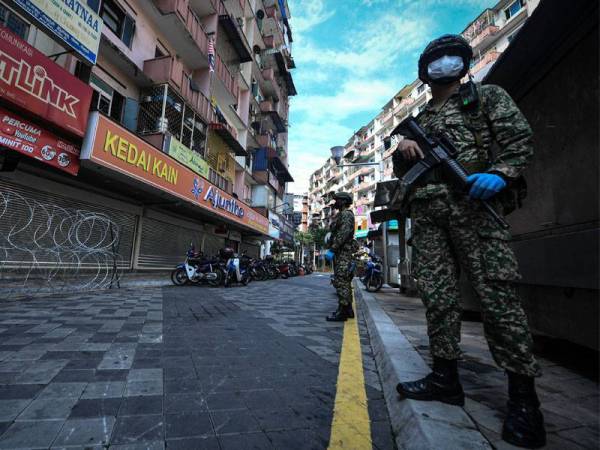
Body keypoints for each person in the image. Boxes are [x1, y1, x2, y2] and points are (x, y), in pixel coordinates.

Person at [392, 34, 545, 448]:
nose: (443, 65)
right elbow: (400, 164)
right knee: (438, 298)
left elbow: (518, 140)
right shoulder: (422, 117)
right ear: (424, 71)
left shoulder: (485, 98)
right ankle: (445, 378)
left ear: (464, 63)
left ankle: (524, 399)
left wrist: (502, 172)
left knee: (497, 299)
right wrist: (405, 145)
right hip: (428, 217)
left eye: (451, 58)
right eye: (435, 60)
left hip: (473, 209)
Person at [324, 192, 356, 322]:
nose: (335, 203)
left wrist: (333, 248)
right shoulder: (341, 215)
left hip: (343, 252)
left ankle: (342, 312)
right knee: (343, 281)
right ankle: (347, 309)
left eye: (337, 200)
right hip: (340, 252)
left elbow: (343, 233)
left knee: (341, 281)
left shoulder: (347, 215)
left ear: (343, 201)